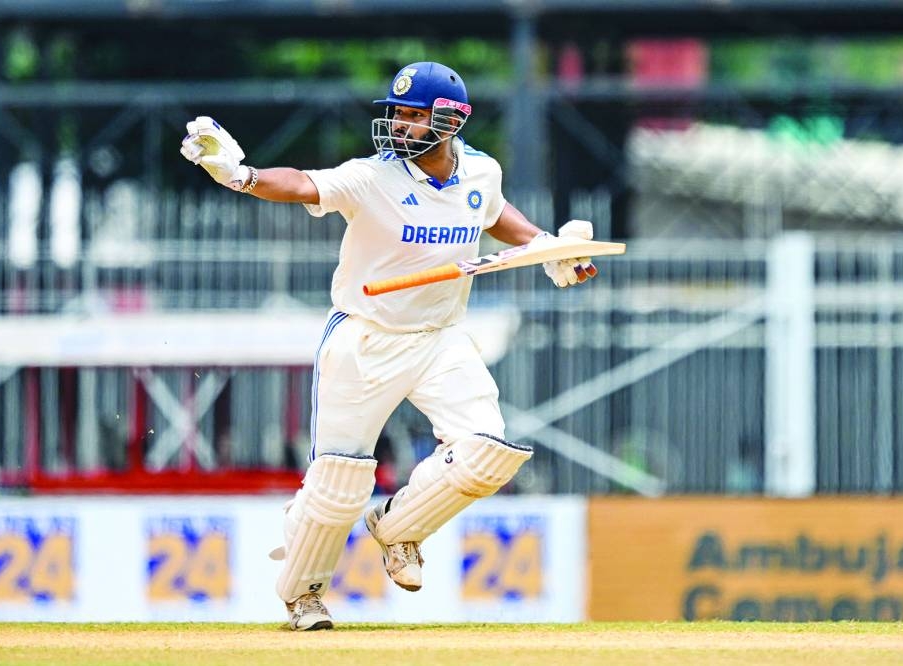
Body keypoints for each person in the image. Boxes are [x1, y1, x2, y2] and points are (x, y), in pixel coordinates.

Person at [181, 61, 597, 631]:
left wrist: (546, 248)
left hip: (441, 339)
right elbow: (305, 182)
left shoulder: (482, 171)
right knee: (338, 485)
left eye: (412, 114)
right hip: (365, 338)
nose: (398, 124)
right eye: (396, 113)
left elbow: (494, 214)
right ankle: (303, 595)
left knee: (486, 455)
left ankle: (398, 531)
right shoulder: (372, 177)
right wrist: (242, 175)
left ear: (449, 120)